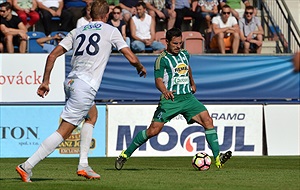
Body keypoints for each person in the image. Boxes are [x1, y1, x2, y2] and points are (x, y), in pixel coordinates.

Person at [16, 0, 147, 183]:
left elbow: (52, 55)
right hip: (85, 86)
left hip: (70, 82)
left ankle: (83, 165)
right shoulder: (110, 30)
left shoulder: (77, 31)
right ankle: (27, 166)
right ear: (107, 14)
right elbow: (131, 56)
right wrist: (140, 66)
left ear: (90, 14)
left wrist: (46, 81)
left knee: (92, 115)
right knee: (64, 131)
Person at [115, 27, 232, 170]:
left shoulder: (184, 54)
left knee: (208, 120)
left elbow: (187, 67)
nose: (178, 46)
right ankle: (125, 155)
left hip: (188, 98)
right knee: (153, 131)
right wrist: (164, 91)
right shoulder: (161, 60)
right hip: (170, 100)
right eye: (175, 43)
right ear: (167, 42)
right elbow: (158, 80)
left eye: (180, 43)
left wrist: (192, 83)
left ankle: (218, 158)